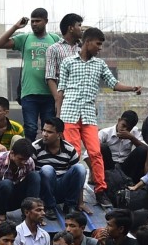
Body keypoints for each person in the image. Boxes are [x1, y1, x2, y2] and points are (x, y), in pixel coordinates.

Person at [56, 27, 143, 208]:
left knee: (96, 152)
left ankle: (100, 191)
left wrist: (132, 88)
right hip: (69, 113)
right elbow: (60, 91)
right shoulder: (68, 62)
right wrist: (58, 119)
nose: (100, 48)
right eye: (98, 44)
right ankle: (74, 196)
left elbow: (113, 84)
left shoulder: (100, 64)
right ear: (88, 42)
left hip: (88, 114)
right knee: (74, 155)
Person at [0, 10, 60, 140]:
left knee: (48, 130)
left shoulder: (55, 39)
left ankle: (44, 158)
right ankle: (28, 158)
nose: (34, 24)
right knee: (30, 128)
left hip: (50, 93)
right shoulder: (25, 38)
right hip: (29, 92)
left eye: (38, 21)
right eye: (32, 21)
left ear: (46, 21)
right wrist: (15, 27)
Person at [0, 139, 41, 229]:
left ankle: (30, 216)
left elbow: (32, 185)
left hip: (14, 198)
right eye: (21, 159)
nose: (23, 162)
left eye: (25, 159)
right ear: (12, 153)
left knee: (35, 176)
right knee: (7, 183)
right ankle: (1, 215)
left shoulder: (28, 162)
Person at [33, 118, 87, 215]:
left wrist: (81, 202)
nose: (45, 134)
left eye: (49, 132)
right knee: (47, 169)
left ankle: (70, 205)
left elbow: (78, 178)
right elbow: (30, 176)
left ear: (59, 134)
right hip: (44, 191)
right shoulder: (35, 147)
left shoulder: (69, 149)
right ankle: (49, 207)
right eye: (44, 130)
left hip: (61, 187)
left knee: (80, 168)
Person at [98, 110, 148, 184]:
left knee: (141, 150)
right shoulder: (104, 133)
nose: (124, 130)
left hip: (125, 166)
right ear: (119, 121)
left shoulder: (134, 132)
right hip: (109, 165)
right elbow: (88, 153)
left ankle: (131, 182)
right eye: (123, 125)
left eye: (128, 129)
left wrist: (132, 138)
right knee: (102, 147)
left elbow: (147, 149)